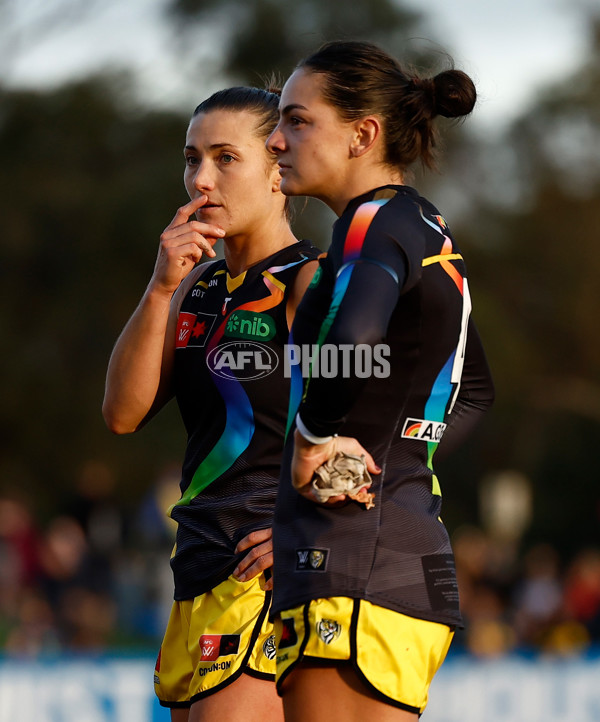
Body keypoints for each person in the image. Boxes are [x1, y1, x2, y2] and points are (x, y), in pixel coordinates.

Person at [266, 40, 495, 721]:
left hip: (351, 562)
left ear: (363, 135)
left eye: (298, 120)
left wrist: (314, 438)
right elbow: (475, 391)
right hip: (399, 550)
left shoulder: (372, 222)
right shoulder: (420, 226)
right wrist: (399, 458)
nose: (276, 139)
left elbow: (353, 342)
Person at [103, 86, 319, 722]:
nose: (201, 179)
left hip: (266, 574)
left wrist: (308, 531)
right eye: (192, 158)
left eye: (226, 158)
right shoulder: (195, 284)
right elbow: (122, 414)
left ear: (279, 166)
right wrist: (160, 286)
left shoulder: (311, 280)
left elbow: (391, 421)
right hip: (198, 564)